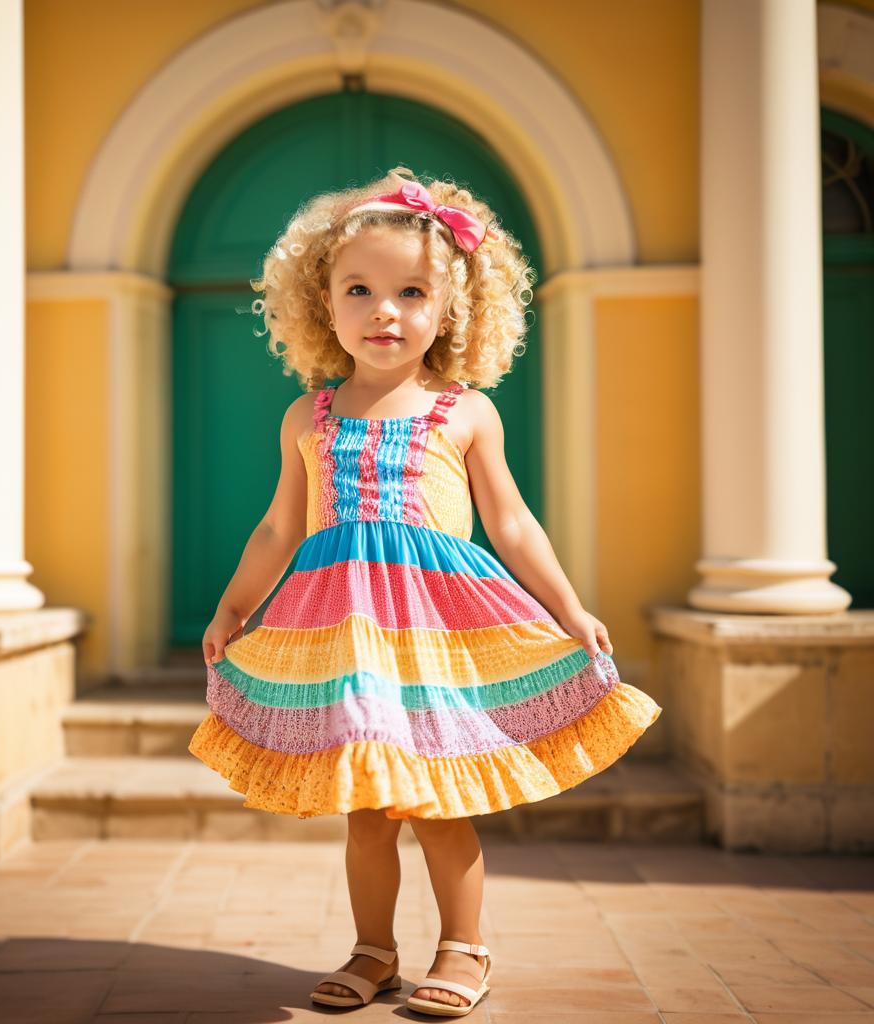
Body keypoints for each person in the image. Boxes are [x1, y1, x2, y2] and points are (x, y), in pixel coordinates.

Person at [189, 166, 662, 1017]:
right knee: (368, 806)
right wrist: (232, 608)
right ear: (320, 303)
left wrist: (569, 608)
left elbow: (512, 525)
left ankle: (465, 946)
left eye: (411, 292)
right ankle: (374, 951)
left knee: (436, 796)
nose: (385, 311)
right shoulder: (310, 417)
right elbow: (277, 529)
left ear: (451, 309)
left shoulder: (466, 412)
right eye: (360, 290)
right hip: (343, 631)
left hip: (438, 632)